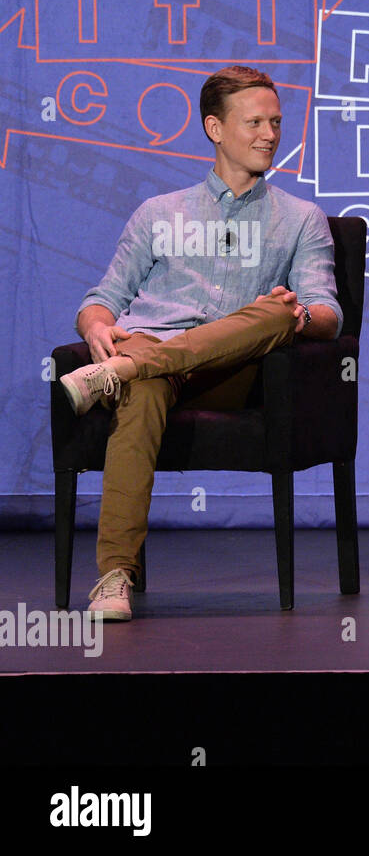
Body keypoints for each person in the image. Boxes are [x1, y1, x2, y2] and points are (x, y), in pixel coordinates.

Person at [58, 66, 343, 622]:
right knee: (142, 389)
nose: (270, 134)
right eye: (254, 122)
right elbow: (101, 298)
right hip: (154, 366)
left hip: (235, 373)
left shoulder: (301, 219)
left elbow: (328, 314)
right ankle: (115, 575)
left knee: (278, 310)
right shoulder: (158, 213)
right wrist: (95, 329)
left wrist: (294, 315)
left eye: (276, 122)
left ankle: (125, 368)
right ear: (215, 128)